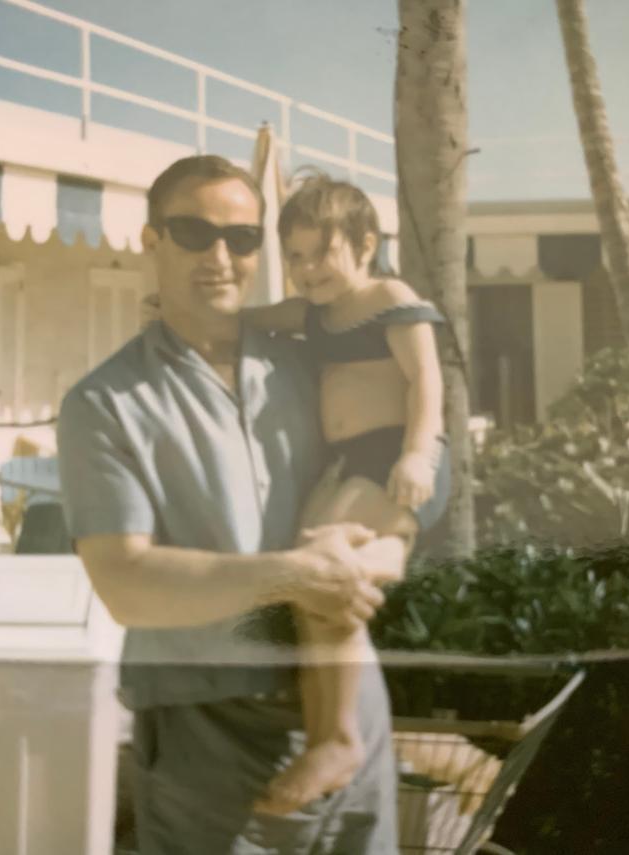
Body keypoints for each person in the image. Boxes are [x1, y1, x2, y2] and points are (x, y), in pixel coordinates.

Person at [57, 155, 401, 853]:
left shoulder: (314, 361)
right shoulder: (104, 404)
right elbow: (126, 583)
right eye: (193, 232)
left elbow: (396, 459)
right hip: (208, 739)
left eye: (242, 238)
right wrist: (297, 575)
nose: (221, 255)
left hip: (354, 715)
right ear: (152, 242)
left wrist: (381, 555)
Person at [243, 174, 450, 815]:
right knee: (318, 586)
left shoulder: (390, 297)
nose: (306, 270)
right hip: (349, 465)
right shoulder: (316, 315)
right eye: (296, 257)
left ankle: (336, 740)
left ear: (364, 244)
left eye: (320, 254)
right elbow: (251, 318)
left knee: (319, 562)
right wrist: (185, 314)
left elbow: (426, 383)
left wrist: (418, 453)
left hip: (394, 456)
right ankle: (329, 736)